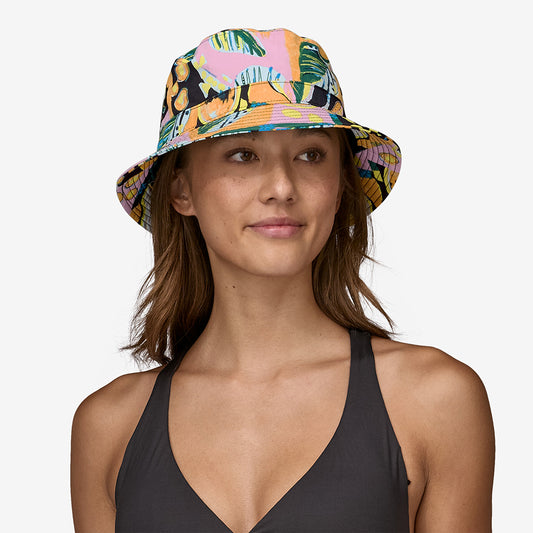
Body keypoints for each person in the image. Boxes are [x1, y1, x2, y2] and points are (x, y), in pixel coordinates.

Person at [70, 28, 495, 533]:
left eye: (310, 154)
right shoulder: (108, 427)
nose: (281, 187)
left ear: (340, 186)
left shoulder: (436, 401)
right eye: (243, 155)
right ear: (181, 190)